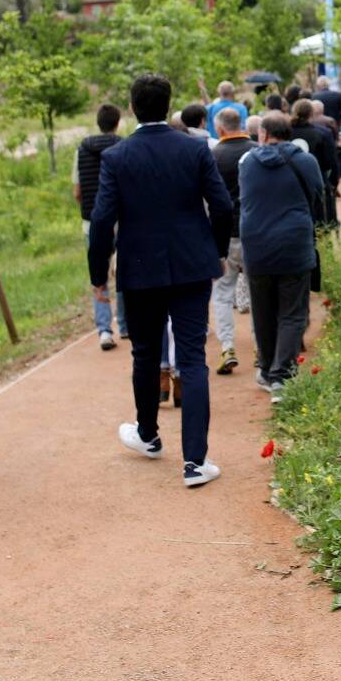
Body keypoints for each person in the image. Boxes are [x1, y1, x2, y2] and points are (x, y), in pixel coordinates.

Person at [89, 74, 236, 489]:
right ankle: (195, 462)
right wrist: (218, 251)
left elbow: (102, 220)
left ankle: (148, 435)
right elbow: (222, 205)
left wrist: (99, 275)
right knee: (192, 358)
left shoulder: (117, 158)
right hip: (192, 265)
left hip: (139, 268)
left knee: (145, 353)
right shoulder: (194, 149)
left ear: (132, 107)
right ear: (168, 102)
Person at [238, 113, 322, 393]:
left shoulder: (248, 163)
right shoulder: (305, 161)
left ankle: (266, 369)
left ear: (262, 134)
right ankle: (282, 374)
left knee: (262, 311)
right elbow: (317, 194)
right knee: (292, 311)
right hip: (294, 243)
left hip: (257, 245)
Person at [74, 104, 128, 350]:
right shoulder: (125, 146)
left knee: (98, 272)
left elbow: (77, 191)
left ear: (98, 123)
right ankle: (126, 325)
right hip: (122, 218)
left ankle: (105, 331)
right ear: (117, 123)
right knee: (124, 271)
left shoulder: (82, 150)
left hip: (91, 220)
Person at [209, 105, 258, 375]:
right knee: (256, 290)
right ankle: (261, 346)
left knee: (223, 293)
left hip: (225, 235)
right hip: (254, 231)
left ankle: (227, 347)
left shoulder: (214, 155)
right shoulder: (256, 151)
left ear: (219, 129)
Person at [292, 98, 341, 230]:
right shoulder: (322, 133)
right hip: (317, 181)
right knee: (322, 222)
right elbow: (331, 162)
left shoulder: (286, 132)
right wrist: (334, 184)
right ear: (311, 114)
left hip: (292, 182)